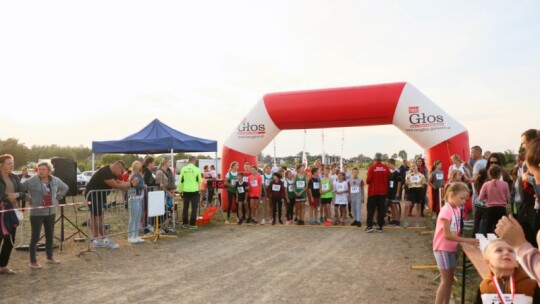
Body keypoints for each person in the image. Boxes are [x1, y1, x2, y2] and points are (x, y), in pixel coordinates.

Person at [433, 182, 479, 304]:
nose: (464, 202)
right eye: (462, 198)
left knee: (449, 280)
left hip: (451, 248)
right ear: (452, 195)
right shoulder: (446, 210)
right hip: (442, 248)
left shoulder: (456, 209)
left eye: (466, 199)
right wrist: (467, 240)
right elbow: (447, 235)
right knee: (445, 280)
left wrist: (462, 242)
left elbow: (456, 232)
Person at [21, 161, 69, 268]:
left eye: (43, 169)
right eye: (39, 169)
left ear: (49, 171)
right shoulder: (32, 180)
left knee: (50, 235)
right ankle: (33, 261)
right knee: (35, 237)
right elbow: (20, 188)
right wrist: (28, 199)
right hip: (36, 213)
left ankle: (49, 257)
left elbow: (65, 187)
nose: (41, 171)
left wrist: (58, 197)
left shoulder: (55, 180)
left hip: (51, 212)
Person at [85, 160, 135, 249]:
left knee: (95, 217)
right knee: (98, 218)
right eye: (121, 171)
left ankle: (97, 240)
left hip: (98, 196)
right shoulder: (105, 171)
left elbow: (118, 182)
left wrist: (129, 184)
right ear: (117, 167)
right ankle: (104, 240)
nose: (121, 173)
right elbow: (115, 185)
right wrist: (131, 184)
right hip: (93, 196)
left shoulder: (111, 172)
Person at [474, 239, 540, 304]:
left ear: (517, 262)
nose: (506, 252)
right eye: (499, 250)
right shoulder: (484, 286)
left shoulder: (531, 285)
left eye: (511, 251)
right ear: (488, 262)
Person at [0, 154, 24, 274]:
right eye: (9, 163)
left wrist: (17, 195)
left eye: (12, 162)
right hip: (1, 211)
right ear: (1, 165)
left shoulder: (15, 177)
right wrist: (5, 196)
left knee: (10, 239)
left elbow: (23, 191)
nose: (11, 165)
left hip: (14, 211)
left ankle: (3, 266)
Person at [479, 165, 510, 235]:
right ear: (500, 174)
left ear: (489, 174)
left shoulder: (486, 184)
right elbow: (508, 197)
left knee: (488, 228)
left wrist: (487, 197)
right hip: (501, 208)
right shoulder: (505, 184)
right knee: (501, 228)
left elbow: (480, 197)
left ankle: (489, 243)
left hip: (490, 208)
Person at [365, 153, 389, 233]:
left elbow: (368, 180)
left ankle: (369, 226)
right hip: (383, 192)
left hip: (373, 192)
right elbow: (388, 178)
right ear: (381, 159)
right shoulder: (386, 168)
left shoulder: (372, 168)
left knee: (371, 210)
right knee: (381, 210)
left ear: (375, 159)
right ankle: (380, 227)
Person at [178, 156, 202, 230]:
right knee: (194, 208)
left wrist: (180, 190)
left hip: (185, 190)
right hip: (194, 191)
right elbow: (200, 181)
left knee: (185, 207)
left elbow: (181, 180)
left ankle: (185, 223)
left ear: (189, 161)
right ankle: (192, 224)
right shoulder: (197, 169)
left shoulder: (183, 169)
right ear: (194, 161)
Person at [155, 156, 176, 234]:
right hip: (162, 195)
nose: (170, 164)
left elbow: (171, 184)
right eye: (169, 162)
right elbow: (159, 185)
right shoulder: (159, 172)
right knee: (163, 212)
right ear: (165, 162)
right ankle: (161, 228)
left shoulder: (169, 171)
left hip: (169, 195)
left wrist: (173, 191)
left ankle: (166, 227)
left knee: (169, 211)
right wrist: (168, 193)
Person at [127, 161, 145, 243]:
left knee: (138, 217)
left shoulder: (138, 175)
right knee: (133, 218)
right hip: (134, 198)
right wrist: (143, 186)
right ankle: (130, 236)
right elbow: (134, 186)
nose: (141, 167)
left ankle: (136, 235)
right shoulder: (134, 176)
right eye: (139, 166)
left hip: (138, 198)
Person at [405, 163, 427, 227]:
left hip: (419, 190)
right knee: (407, 205)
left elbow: (423, 184)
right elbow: (406, 183)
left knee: (418, 206)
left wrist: (420, 190)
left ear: (417, 167)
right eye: (412, 166)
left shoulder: (422, 175)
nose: (413, 167)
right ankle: (406, 221)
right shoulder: (408, 175)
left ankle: (417, 222)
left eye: (414, 166)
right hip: (411, 190)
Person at [141, 156, 157, 234]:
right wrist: (157, 184)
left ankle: (146, 227)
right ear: (149, 163)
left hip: (146, 193)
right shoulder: (147, 171)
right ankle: (145, 229)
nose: (154, 164)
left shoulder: (146, 171)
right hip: (146, 193)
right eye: (153, 162)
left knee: (146, 210)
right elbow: (148, 183)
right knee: (146, 211)